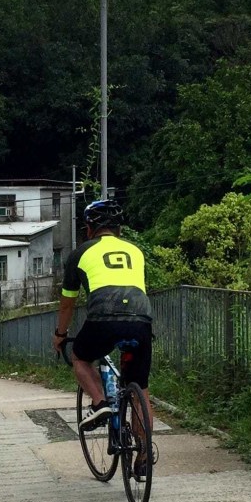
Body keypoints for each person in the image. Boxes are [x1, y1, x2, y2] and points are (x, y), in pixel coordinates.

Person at [52, 198, 153, 473]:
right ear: (118, 229)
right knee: (139, 389)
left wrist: (60, 334)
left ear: (89, 228)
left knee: (81, 358)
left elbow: (67, 303)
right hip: (141, 320)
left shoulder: (80, 254)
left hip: (102, 320)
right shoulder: (136, 251)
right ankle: (144, 456)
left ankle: (100, 402)